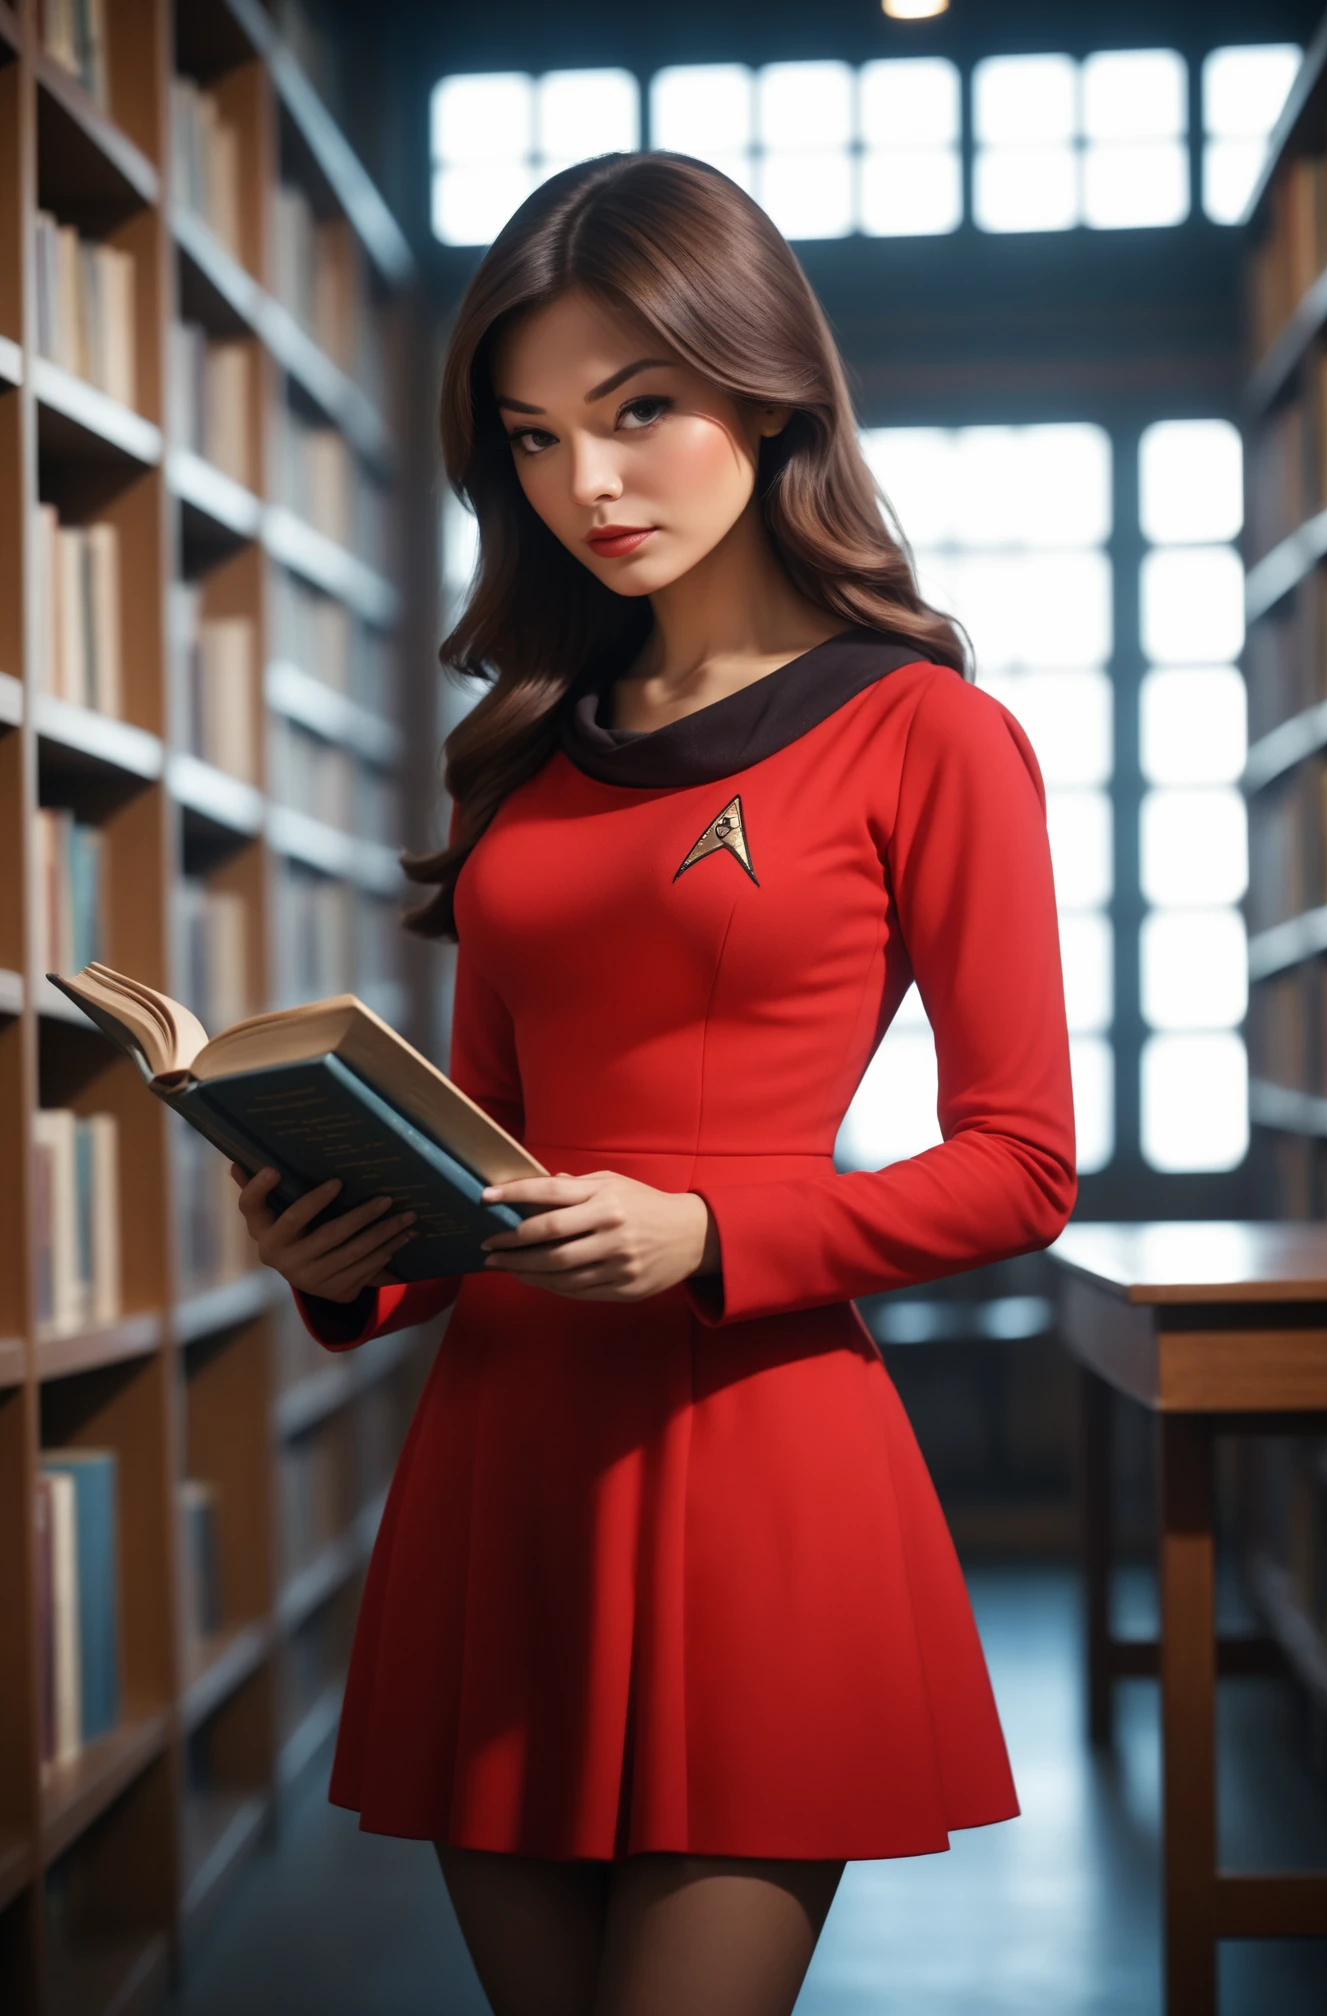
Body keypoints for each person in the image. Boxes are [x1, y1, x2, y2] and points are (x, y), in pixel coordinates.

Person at [230, 151, 1076, 2016]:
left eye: (639, 412)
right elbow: (467, 1180)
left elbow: (1021, 1166)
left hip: (758, 1459)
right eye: (532, 439)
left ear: (766, 390)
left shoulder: (928, 732)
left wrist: (708, 1226)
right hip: (500, 1469)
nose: (585, 483)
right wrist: (332, 1242)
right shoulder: (520, 761)